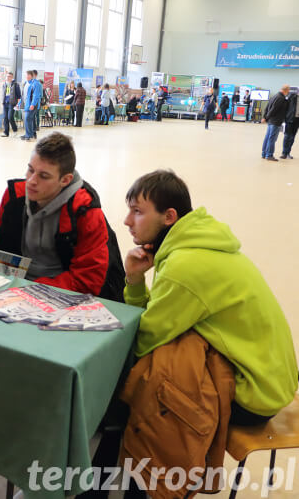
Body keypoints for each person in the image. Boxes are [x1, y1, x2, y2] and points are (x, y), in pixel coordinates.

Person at [123, 169, 297, 423]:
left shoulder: (184, 265)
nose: (127, 220)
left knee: (138, 382)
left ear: (169, 216)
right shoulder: (198, 242)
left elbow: (144, 343)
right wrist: (136, 280)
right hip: (273, 380)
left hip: (254, 397)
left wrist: (133, 285)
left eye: (137, 211)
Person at [0, 132, 124, 301]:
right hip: (15, 287)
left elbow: (87, 279)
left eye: (44, 176)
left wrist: (28, 289)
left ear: (65, 180)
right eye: (30, 169)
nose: (31, 181)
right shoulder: (15, 195)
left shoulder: (85, 211)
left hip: (59, 294)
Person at [262, 84, 291, 161]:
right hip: (276, 121)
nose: (288, 92)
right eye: (288, 91)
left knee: (267, 137)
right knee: (272, 139)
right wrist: (266, 117)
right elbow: (273, 109)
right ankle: (269, 155)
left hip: (271, 121)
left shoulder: (274, 96)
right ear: (286, 90)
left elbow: (267, 107)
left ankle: (264, 153)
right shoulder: (281, 98)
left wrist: (265, 117)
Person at [21, 70, 41, 141]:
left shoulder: (36, 83)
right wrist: (19, 103)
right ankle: (28, 134)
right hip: (26, 105)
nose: (27, 76)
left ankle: (30, 135)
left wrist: (33, 104)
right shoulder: (26, 83)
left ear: (32, 76)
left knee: (28, 118)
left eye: (29, 75)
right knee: (28, 120)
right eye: (26, 75)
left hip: (32, 105)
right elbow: (23, 95)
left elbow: (36, 95)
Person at [0, 72, 20, 137]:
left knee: (10, 117)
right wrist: (2, 101)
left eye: (9, 76)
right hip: (5, 103)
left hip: (12, 103)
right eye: (7, 76)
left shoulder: (16, 85)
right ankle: (6, 132)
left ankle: (15, 130)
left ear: (12, 77)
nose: (8, 77)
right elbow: (3, 93)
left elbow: (19, 96)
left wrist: (18, 104)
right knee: (5, 118)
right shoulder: (4, 84)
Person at [281, 90, 298, 159]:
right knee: (287, 136)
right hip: (290, 119)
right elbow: (285, 107)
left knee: (292, 137)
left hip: (297, 120)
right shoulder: (292, 96)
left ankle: (288, 153)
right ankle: (284, 153)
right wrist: (284, 118)